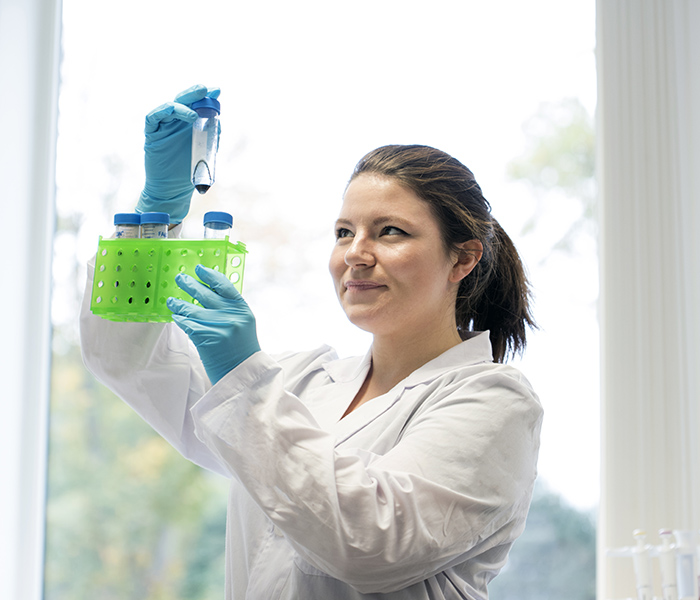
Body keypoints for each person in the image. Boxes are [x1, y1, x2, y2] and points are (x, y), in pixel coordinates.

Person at [80, 84, 543, 600]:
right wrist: (155, 221)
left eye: (390, 231)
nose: (356, 254)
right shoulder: (301, 383)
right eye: (344, 232)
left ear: (463, 259)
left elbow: (369, 546)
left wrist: (245, 381)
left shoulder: (493, 401)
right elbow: (130, 364)